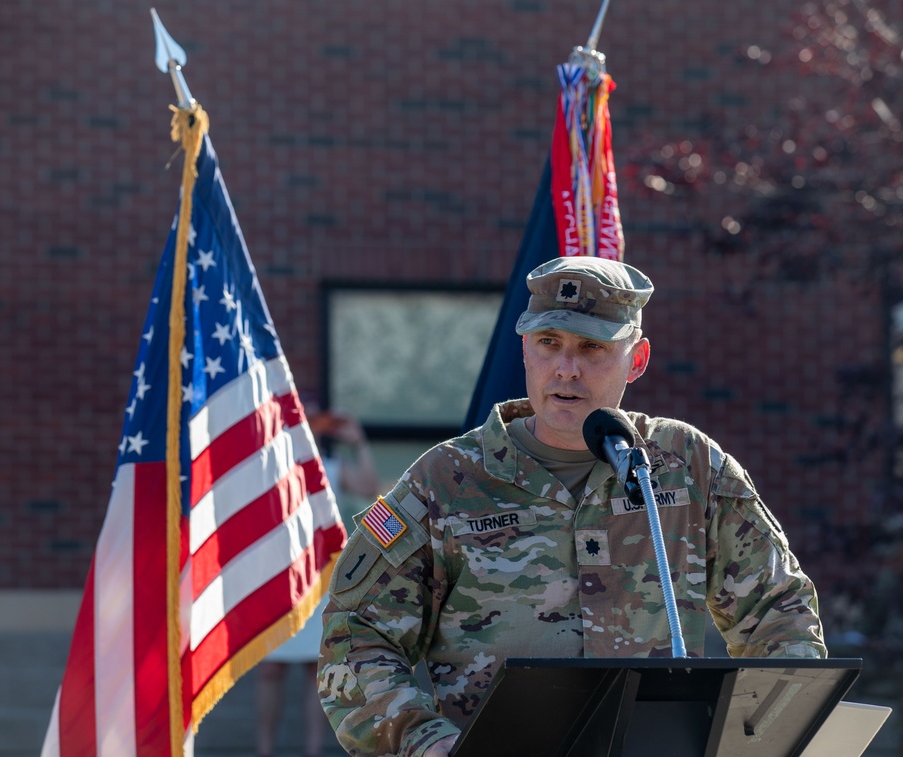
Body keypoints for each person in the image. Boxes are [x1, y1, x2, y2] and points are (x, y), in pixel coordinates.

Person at [316, 256, 826, 757]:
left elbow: (779, 613)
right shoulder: (446, 481)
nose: (566, 369)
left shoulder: (687, 466)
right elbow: (357, 634)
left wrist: (765, 734)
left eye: (592, 347)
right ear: (524, 350)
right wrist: (425, 740)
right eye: (548, 343)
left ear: (638, 359)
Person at [255, 409, 380, 757]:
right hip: (278, 579)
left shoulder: (331, 467)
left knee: (317, 669)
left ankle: (313, 751)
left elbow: (371, 488)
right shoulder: (274, 466)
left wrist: (358, 442)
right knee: (270, 670)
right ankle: (263, 750)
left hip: (321, 581)